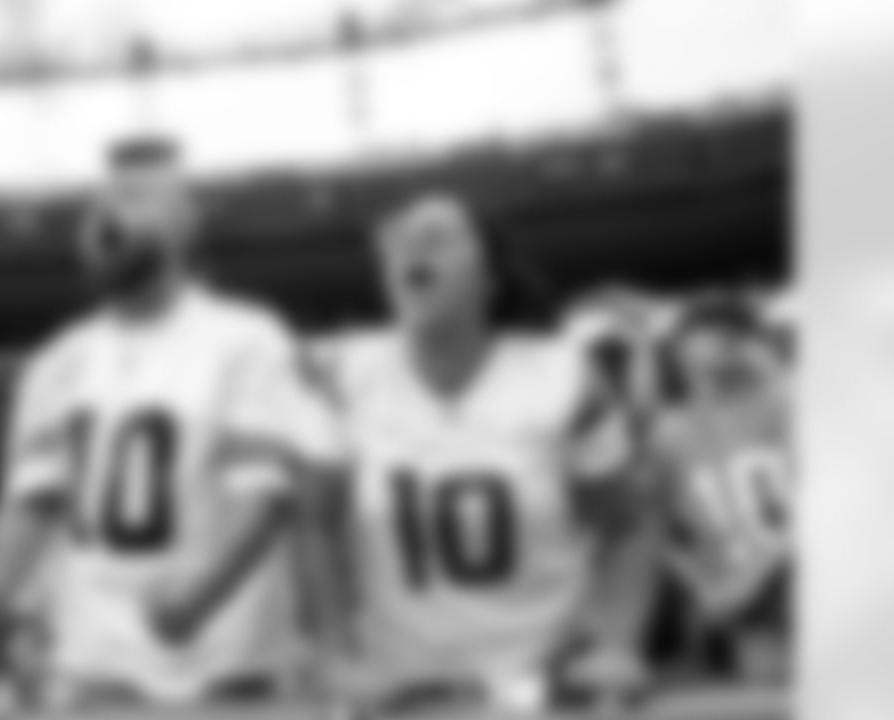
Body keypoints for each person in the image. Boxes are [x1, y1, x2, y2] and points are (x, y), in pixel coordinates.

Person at [0, 136, 338, 707]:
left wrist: (198, 598)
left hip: (224, 677)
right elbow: (35, 503)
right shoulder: (55, 365)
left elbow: (268, 498)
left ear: (186, 224)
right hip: (95, 677)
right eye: (97, 205)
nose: (107, 215)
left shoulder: (247, 338)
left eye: (135, 198)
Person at [304, 194, 657, 715]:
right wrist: (335, 654)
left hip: (545, 687)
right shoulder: (342, 378)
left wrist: (618, 645)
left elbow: (630, 525)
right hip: (402, 694)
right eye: (399, 239)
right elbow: (314, 526)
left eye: (440, 235)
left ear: (490, 278)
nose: (412, 245)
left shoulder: (563, 376)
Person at [650, 295, 792, 683]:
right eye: (713, 335)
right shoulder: (669, 434)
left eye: (735, 337)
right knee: (769, 690)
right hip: (741, 600)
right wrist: (703, 586)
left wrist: (757, 577)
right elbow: (651, 530)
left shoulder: (787, 403)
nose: (723, 348)